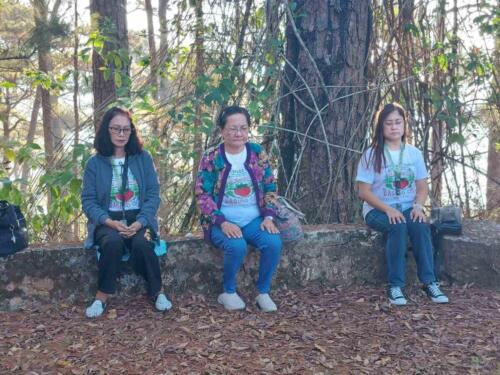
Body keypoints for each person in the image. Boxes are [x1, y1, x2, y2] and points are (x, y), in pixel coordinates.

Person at [81, 107, 172, 318]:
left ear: (132, 132)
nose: (121, 134)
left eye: (126, 130)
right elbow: (88, 201)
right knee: (112, 243)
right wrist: (109, 222)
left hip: (140, 219)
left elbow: (153, 194)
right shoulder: (94, 164)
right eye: (116, 129)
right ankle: (101, 297)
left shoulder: (142, 158)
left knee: (143, 244)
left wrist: (141, 222)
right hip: (107, 221)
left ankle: (158, 292)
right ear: (107, 130)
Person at [356, 103, 449, 306]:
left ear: (404, 125)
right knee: (397, 226)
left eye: (398, 122)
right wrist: (388, 209)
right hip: (377, 209)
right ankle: (395, 286)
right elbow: (364, 192)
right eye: (388, 123)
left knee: (419, 225)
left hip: (408, 206)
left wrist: (418, 206)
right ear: (381, 127)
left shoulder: (413, 153)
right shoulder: (371, 154)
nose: (394, 127)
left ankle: (429, 282)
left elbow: (422, 186)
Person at [195, 105, 282, 312]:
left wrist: (268, 217)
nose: (238, 133)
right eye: (233, 128)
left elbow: (270, 185)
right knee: (237, 246)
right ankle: (228, 292)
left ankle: (263, 292)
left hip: (254, 219)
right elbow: (202, 194)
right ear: (222, 130)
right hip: (222, 220)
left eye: (243, 128)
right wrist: (222, 222)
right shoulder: (211, 157)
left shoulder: (257, 153)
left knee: (273, 242)